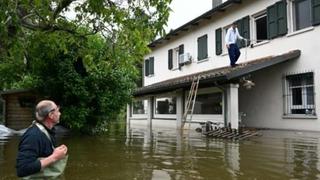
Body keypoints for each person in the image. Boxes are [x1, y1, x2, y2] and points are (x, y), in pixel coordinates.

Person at [16, 100, 68, 178]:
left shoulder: (47, 131)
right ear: (51, 115)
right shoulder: (33, 136)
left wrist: (56, 152)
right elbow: (22, 169)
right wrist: (54, 157)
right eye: (58, 110)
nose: (60, 113)